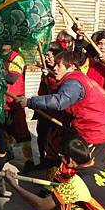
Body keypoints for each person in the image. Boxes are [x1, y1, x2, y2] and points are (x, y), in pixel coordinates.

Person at [15, 51, 105, 170]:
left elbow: (60, 101)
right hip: (101, 129)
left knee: (89, 169)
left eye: (59, 65)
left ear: (72, 67)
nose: (55, 68)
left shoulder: (74, 82)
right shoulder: (80, 79)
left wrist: (30, 102)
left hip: (96, 131)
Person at [2, 42, 35, 173]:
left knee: (22, 133)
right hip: (3, 102)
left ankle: (29, 161)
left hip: (15, 101)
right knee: (6, 131)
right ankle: (8, 155)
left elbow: (12, 78)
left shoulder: (17, 58)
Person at [35, 42, 62, 170]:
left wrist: (50, 75)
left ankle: (53, 169)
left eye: (49, 56)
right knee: (41, 136)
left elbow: (59, 91)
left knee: (52, 141)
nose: (46, 58)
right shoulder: (47, 68)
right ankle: (42, 161)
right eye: (45, 55)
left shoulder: (60, 70)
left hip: (54, 112)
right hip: (43, 110)